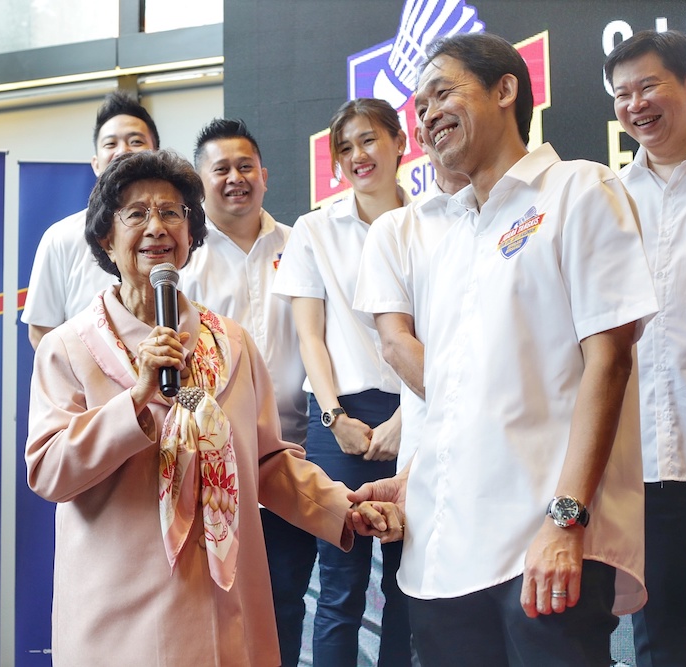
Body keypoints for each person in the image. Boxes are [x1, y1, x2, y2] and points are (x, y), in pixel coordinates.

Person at [349, 32, 657, 666]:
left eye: (442, 92)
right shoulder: (443, 231)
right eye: (419, 104)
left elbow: (610, 361)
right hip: (441, 556)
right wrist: (415, 480)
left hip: (543, 544)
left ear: (505, 89)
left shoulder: (579, 189)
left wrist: (567, 519)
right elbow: (461, 391)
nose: (427, 113)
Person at [25, 149, 359, 666]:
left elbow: (268, 462)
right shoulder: (68, 348)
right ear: (104, 240)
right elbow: (48, 471)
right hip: (120, 619)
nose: (157, 227)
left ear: (190, 238)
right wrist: (137, 401)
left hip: (228, 610)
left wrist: (345, 509)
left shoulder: (232, 343)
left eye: (172, 213)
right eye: (136, 214)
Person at [273, 98, 411, 667]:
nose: (358, 156)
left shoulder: (435, 219)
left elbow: (452, 332)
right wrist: (335, 418)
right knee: (340, 586)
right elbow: (311, 337)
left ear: (401, 142)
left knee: (413, 582)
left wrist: (409, 418)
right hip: (339, 419)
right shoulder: (314, 229)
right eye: (345, 147)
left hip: (416, 412)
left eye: (369, 140)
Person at [181, 118, 313, 667]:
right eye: (221, 169)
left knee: (287, 598)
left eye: (245, 167)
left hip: (293, 458)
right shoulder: (184, 262)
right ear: (200, 181)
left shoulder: (302, 245)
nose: (235, 178)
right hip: (213, 466)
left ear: (264, 174)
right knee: (211, 604)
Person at [605, 30, 686, 667]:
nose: (635, 104)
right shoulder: (608, 196)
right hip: (646, 444)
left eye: (648, 86)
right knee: (659, 619)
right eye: (621, 94)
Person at [354, 121, 470, 473]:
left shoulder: (529, 216)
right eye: (425, 111)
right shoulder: (396, 229)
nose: (437, 119)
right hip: (430, 443)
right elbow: (395, 342)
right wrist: (479, 413)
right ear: (419, 138)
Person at [21, 90, 160, 349]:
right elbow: (42, 332)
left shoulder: (177, 231)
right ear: (96, 164)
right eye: (110, 144)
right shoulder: (60, 238)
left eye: (136, 141)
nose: (123, 151)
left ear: (156, 155)